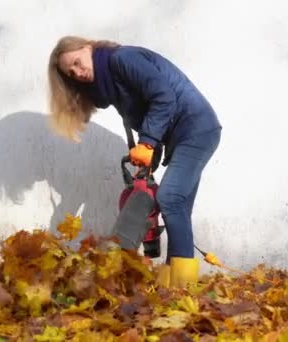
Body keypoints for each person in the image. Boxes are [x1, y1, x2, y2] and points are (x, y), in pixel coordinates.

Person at [47, 36, 222, 287]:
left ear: (88, 48)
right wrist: (146, 150)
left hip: (195, 128)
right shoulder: (112, 84)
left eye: (77, 62)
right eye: (71, 73)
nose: (78, 72)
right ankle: (170, 283)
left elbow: (164, 97)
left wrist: (148, 143)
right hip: (184, 133)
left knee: (170, 199)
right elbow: (147, 112)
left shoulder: (122, 59)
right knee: (177, 206)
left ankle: (183, 288)